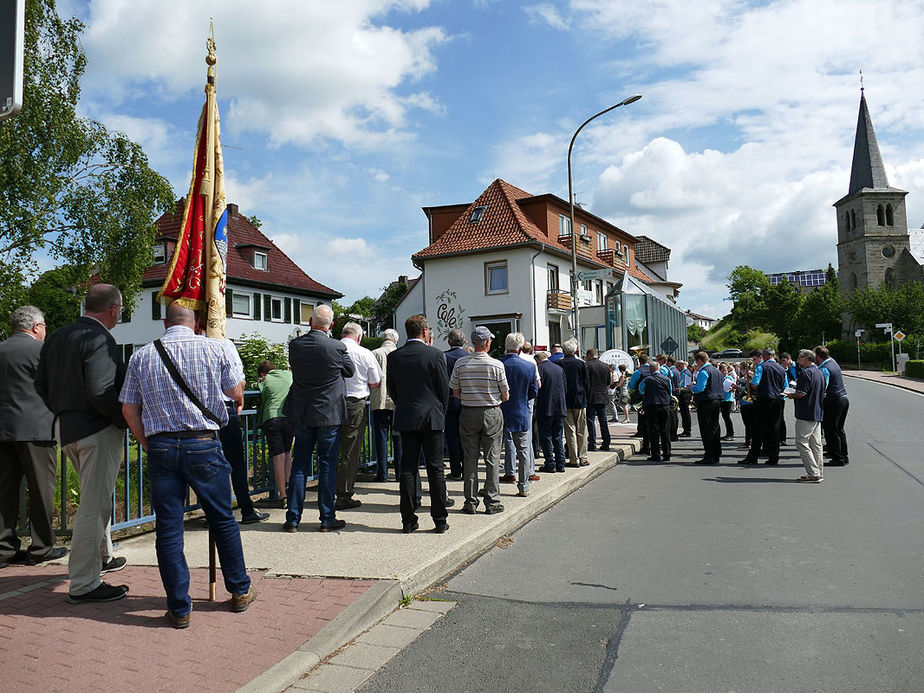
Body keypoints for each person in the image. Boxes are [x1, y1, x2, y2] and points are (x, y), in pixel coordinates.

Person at [119, 303, 254, 628]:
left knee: (168, 528)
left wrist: (149, 443)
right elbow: (234, 392)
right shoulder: (215, 347)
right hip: (203, 443)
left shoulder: (141, 355)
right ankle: (238, 590)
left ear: (164, 322)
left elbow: (128, 408)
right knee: (222, 519)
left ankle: (179, 607)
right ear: (195, 324)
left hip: (163, 446)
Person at [35, 284, 129, 603]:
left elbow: (41, 384)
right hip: (97, 429)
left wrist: (62, 412)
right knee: (94, 504)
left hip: (66, 428)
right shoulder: (101, 339)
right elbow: (101, 391)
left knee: (94, 497)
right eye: (121, 309)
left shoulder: (59, 336)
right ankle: (85, 583)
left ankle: (102, 557)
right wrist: (124, 420)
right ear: (114, 309)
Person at [0, 307, 67, 566]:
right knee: (41, 490)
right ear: (37, 327)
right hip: (37, 429)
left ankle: (4, 549)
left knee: (4, 492)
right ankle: (41, 548)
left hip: (4, 430)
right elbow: (58, 387)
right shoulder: (42, 351)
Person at [282, 304, 355, 533]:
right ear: (331, 325)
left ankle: (293, 518)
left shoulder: (295, 345)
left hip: (302, 413)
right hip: (329, 413)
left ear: (309, 322)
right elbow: (350, 371)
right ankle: (326, 518)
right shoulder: (337, 347)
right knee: (327, 466)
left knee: (300, 466)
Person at [386, 315, 450, 533]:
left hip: (406, 416)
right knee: (436, 469)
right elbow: (443, 390)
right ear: (425, 332)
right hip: (432, 417)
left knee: (408, 468)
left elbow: (391, 389)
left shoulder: (395, 357)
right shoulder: (435, 354)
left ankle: (408, 520)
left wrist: (404, 406)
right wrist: (441, 412)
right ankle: (440, 520)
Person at [449, 326, 509, 515]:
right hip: (491, 412)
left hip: (468, 412)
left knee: (470, 458)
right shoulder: (497, 365)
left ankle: (470, 501)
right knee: (492, 458)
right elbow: (505, 395)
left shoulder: (460, 363)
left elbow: (456, 393)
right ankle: (492, 501)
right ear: (488, 343)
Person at [217, 335, 269, 525]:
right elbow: (239, 381)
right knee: (236, 462)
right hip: (225, 407)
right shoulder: (225, 344)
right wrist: (239, 397)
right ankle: (246, 509)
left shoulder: (190, 342)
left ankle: (213, 511)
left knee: (207, 462)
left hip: (196, 412)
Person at [336, 322, 382, 510]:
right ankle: (344, 494)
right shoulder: (365, 353)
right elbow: (376, 383)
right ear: (359, 336)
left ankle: (327, 489)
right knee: (350, 449)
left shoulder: (333, 349)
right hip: (356, 403)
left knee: (329, 447)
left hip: (331, 403)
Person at [499, 333, 539, 496]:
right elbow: (533, 392)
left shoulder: (498, 364)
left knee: (496, 450)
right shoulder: (529, 366)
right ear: (521, 348)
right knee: (523, 451)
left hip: (500, 411)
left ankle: (495, 484)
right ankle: (523, 486)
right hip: (521, 410)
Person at [739, 348, 786, 465]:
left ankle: (753, 456)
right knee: (774, 428)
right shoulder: (781, 368)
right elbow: (784, 385)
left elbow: (755, 384)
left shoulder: (762, 367)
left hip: (764, 399)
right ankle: (773, 456)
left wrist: (751, 377)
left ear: (764, 356)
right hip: (778, 399)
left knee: (757, 428)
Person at [256, 360, 294, 508]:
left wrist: (259, 381)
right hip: (289, 418)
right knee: (287, 453)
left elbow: (260, 391)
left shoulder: (265, 380)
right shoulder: (288, 375)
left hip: (272, 419)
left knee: (277, 457)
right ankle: (290, 490)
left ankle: (282, 495)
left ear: (263, 373)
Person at [787, 349, 826, 483]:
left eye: (799, 358)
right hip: (817, 411)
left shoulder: (805, 373)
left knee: (801, 442)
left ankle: (813, 473)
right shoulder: (819, 372)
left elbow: (802, 393)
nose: (797, 360)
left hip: (806, 412)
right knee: (816, 445)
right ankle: (818, 472)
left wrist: (790, 395)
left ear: (806, 358)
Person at [371, 329, 400, 482]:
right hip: (397, 401)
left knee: (381, 438)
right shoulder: (400, 353)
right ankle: (400, 473)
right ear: (395, 340)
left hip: (378, 399)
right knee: (398, 438)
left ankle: (382, 473)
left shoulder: (374, 353)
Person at [815, 345, 850, 466]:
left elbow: (822, 386)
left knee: (830, 429)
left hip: (833, 400)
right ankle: (843, 455)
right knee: (839, 429)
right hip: (843, 399)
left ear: (818, 357)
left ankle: (837, 458)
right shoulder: (833, 362)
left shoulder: (825, 368)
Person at [558, 338, 589, 467]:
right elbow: (587, 382)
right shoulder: (581, 364)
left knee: (569, 431)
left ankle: (573, 458)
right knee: (581, 429)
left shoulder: (559, 364)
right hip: (580, 399)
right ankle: (583, 457)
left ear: (564, 351)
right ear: (575, 350)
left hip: (565, 400)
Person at [535, 351, 567, 473]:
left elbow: (537, 388)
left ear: (538, 360)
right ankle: (561, 463)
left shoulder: (540, 369)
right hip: (560, 407)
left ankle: (550, 463)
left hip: (546, 407)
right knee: (558, 436)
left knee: (546, 436)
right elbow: (565, 387)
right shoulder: (559, 369)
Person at [690, 350, 723, 465]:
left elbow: (700, 388)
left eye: (696, 362)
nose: (696, 365)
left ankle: (709, 455)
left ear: (699, 360)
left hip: (706, 401)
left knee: (706, 429)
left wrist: (691, 388)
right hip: (717, 400)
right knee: (715, 427)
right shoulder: (716, 370)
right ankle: (716, 453)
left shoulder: (704, 371)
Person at [443, 329, 467, 481]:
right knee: (467, 438)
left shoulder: (443, 357)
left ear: (449, 342)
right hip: (467, 402)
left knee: (452, 438)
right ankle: (467, 469)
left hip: (450, 402)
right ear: (464, 341)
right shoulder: (469, 357)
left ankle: (456, 470)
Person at [639, 365, 673, 462]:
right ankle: (667, 453)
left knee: (653, 431)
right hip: (665, 406)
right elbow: (670, 392)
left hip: (651, 406)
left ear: (650, 370)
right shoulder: (667, 379)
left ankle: (655, 454)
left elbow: (641, 390)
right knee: (665, 430)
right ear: (659, 369)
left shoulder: (647, 379)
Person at [585, 348, 612, 452]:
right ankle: (606, 442)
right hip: (602, 396)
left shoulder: (587, 366)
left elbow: (585, 382)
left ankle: (592, 443)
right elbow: (608, 382)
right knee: (603, 420)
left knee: (590, 420)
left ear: (589, 355)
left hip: (590, 396)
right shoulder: (605, 366)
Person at [675, 360, 693, 437]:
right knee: (684, 412)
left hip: (685, 393)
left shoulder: (686, 373)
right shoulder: (684, 372)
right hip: (683, 392)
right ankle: (686, 430)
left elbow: (686, 384)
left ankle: (687, 430)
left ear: (681, 366)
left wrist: (679, 388)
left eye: (677, 367)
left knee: (685, 412)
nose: (677, 369)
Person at [720, 363, 736, 439]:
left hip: (728, 399)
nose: (724, 372)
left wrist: (732, 388)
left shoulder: (729, 378)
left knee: (727, 416)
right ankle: (728, 433)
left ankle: (731, 433)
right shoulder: (719, 378)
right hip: (722, 399)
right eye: (723, 371)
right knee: (724, 416)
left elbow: (734, 387)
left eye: (725, 371)